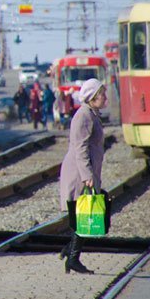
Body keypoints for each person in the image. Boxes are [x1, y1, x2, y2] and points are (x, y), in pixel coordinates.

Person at [57, 78, 108, 274]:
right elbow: (80, 147)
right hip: (79, 172)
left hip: (86, 171)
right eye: (102, 94)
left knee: (86, 214)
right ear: (92, 97)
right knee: (84, 216)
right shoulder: (84, 115)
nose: (105, 97)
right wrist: (87, 175)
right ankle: (72, 258)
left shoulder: (92, 114)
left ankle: (70, 253)